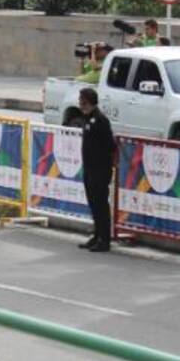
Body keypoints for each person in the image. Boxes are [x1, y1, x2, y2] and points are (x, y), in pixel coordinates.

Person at [78, 87, 116, 252]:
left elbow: (110, 145)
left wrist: (104, 165)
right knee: (93, 204)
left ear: (88, 101)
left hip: (100, 170)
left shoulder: (100, 120)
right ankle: (97, 234)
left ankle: (105, 239)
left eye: (82, 100)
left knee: (101, 205)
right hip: (89, 169)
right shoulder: (86, 119)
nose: (79, 103)